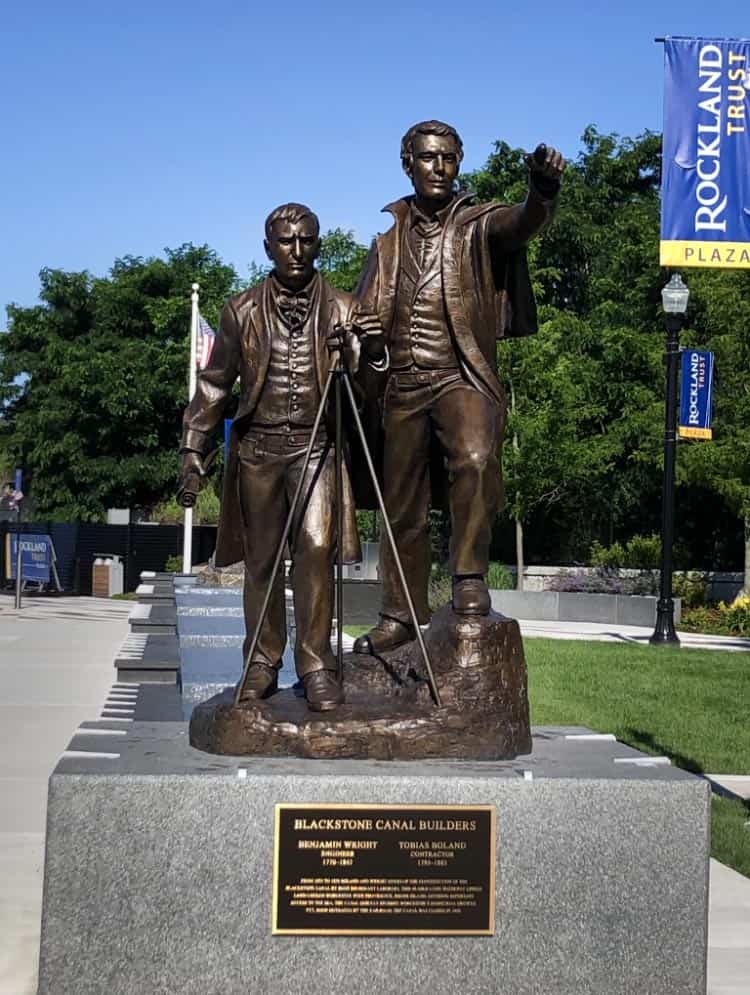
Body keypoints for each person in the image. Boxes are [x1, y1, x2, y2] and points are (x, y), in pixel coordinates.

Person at [353, 120, 564, 656]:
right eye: (428, 158)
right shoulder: (387, 240)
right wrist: (367, 337)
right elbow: (361, 320)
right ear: (408, 163)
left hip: (459, 376)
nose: (439, 167)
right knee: (401, 505)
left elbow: (521, 224)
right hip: (401, 382)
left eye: (448, 158)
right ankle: (399, 613)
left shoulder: (476, 224)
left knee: (473, 456)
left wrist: (541, 191)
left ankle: (469, 580)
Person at [179, 203, 386, 709]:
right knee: (263, 564)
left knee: (316, 551)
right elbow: (214, 386)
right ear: (267, 247)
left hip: (316, 450)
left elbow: (372, 390)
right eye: (286, 241)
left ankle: (316, 664)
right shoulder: (240, 310)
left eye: (306, 240)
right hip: (258, 453)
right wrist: (192, 450)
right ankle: (261, 662)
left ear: (319, 244)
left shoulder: (344, 308)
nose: (297, 250)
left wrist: (365, 355)